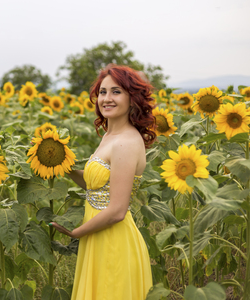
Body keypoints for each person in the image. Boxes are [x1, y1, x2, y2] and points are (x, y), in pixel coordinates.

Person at [50, 64, 156, 300]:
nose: (107, 98)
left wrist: (76, 233)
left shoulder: (125, 143)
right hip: (98, 234)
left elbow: (117, 210)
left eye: (116, 92)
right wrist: (61, 165)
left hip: (113, 240)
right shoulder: (111, 135)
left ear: (133, 98)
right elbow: (97, 186)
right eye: (103, 92)